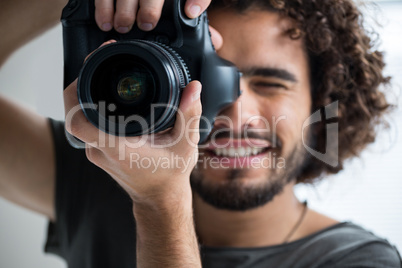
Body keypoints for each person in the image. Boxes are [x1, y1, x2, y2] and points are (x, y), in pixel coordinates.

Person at [0, 0, 401, 267]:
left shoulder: (361, 260)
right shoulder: (100, 178)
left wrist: (160, 203)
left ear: (322, 102)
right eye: (207, 79)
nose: (234, 113)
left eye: (271, 83)